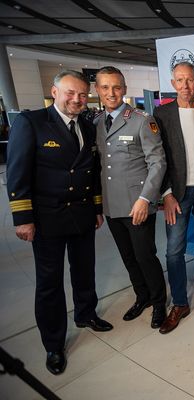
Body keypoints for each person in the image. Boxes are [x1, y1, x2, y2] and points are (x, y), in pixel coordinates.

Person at [7, 70, 113, 375]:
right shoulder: (31, 123)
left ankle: (86, 313)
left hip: (81, 214)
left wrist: (96, 208)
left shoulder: (87, 126)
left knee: (84, 270)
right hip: (46, 218)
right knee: (49, 284)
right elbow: (17, 172)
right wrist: (23, 218)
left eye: (82, 95)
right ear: (55, 92)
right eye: (71, 93)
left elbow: (91, 172)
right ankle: (53, 344)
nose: (77, 99)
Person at [94, 66, 167, 330]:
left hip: (137, 205)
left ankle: (159, 302)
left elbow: (157, 162)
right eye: (105, 87)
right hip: (112, 206)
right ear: (98, 90)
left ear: (124, 89)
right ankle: (143, 296)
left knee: (145, 255)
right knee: (128, 257)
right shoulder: (97, 123)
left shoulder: (141, 120)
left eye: (116, 87)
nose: (111, 92)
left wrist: (146, 199)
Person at [153, 61, 194, 334]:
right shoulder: (161, 114)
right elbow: (157, 159)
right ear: (173, 84)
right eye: (180, 80)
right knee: (174, 251)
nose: (185, 86)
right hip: (176, 195)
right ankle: (180, 302)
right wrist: (166, 194)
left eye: (190, 80)